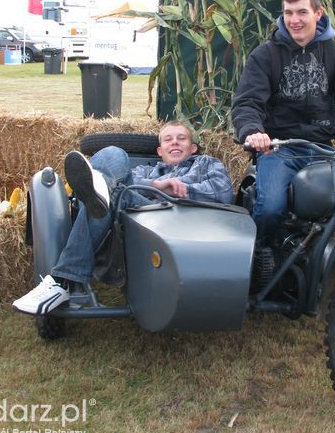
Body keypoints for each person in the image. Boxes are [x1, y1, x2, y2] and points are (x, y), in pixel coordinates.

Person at [13, 120, 235, 315]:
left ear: (193, 147)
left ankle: (62, 280)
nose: (174, 143)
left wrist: (175, 189)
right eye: (168, 139)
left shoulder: (207, 163)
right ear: (160, 150)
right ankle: (98, 192)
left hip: (189, 217)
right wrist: (155, 185)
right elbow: (130, 188)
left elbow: (222, 191)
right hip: (147, 215)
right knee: (113, 156)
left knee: (111, 195)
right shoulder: (146, 172)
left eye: (181, 139)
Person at [231, 0, 335, 250]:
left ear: (318, 13)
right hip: (279, 150)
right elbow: (248, 101)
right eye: (288, 13)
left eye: (302, 12)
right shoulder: (265, 55)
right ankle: (261, 265)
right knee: (270, 209)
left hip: (323, 150)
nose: (294, 20)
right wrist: (252, 131)